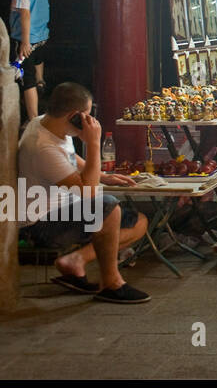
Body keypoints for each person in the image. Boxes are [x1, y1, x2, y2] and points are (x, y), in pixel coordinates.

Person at [18, 82, 150, 304]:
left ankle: (76, 261)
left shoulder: (47, 123)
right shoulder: (43, 146)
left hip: (66, 208)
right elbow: (88, 193)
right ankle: (111, 283)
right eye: (87, 115)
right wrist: (93, 143)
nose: (91, 120)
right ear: (73, 116)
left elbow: (70, 158)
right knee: (108, 206)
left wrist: (103, 176)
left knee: (139, 222)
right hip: (41, 223)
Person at [4, 0, 50, 121]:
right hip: (41, 37)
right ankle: (41, 81)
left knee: (26, 79)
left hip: (25, 40)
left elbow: (25, 14)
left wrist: (24, 42)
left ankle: (33, 119)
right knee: (37, 64)